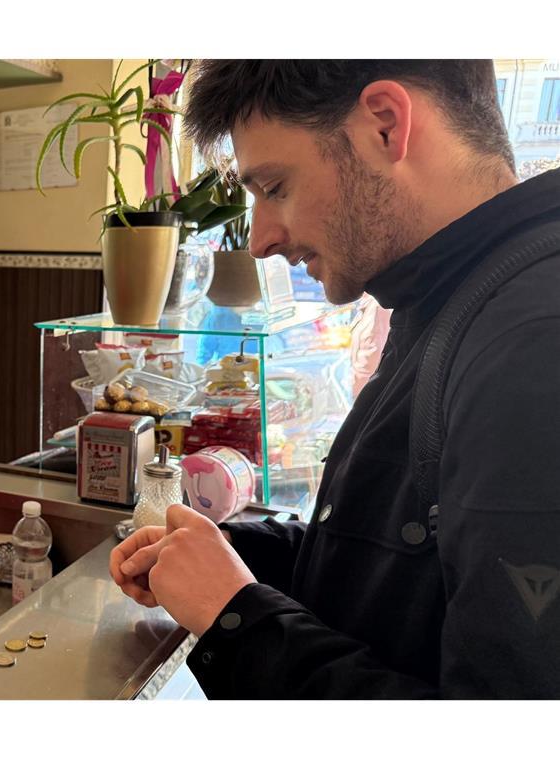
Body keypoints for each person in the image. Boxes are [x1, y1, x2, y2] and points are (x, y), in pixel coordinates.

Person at [111, 60, 560, 698]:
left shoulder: (534, 338)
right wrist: (234, 554)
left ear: (384, 124)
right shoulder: (449, 297)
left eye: (275, 186)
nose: (261, 239)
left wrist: (234, 614)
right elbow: (403, 571)